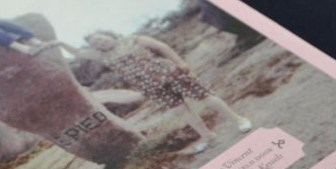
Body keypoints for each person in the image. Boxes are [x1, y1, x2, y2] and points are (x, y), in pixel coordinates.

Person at [55, 31, 251, 153]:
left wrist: (180, 62)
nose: (100, 43)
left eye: (100, 39)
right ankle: (207, 136)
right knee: (180, 110)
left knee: (204, 96)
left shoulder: (134, 39)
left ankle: (238, 119)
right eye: (95, 43)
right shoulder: (102, 55)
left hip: (169, 72)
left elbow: (162, 47)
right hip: (149, 86)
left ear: (108, 34)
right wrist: (59, 44)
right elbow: (78, 53)